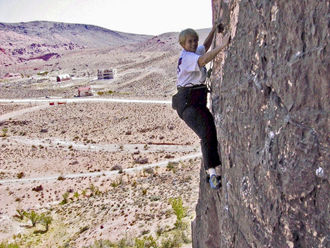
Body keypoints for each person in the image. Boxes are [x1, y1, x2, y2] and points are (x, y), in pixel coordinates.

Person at [172, 22, 230, 189]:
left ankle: (214, 170)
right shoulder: (187, 58)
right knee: (206, 133)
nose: (193, 44)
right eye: (189, 41)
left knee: (211, 130)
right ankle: (211, 174)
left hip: (196, 101)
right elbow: (203, 60)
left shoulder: (194, 51)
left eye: (194, 40)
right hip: (188, 104)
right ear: (182, 44)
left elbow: (204, 47)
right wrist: (223, 46)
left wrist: (213, 30)